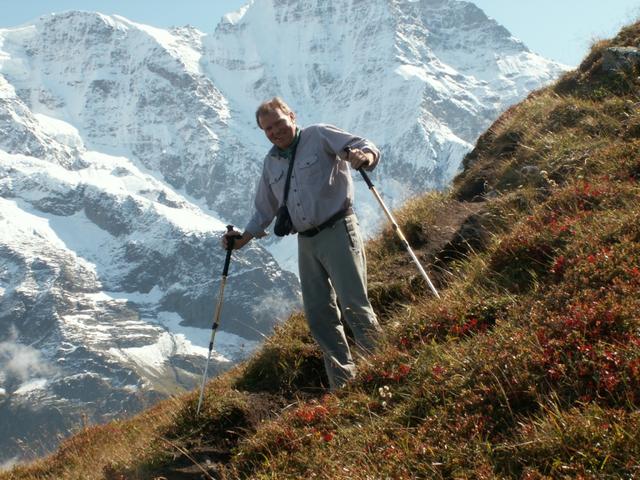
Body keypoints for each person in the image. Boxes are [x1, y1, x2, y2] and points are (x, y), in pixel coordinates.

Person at [223, 97, 381, 389]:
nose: (275, 132)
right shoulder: (271, 163)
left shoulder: (319, 135)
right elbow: (264, 209)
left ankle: (383, 370)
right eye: (268, 129)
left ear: (292, 116)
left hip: (337, 229)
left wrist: (365, 156)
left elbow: (362, 145)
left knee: (353, 304)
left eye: (279, 123)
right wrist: (241, 240)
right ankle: (343, 385)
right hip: (306, 242)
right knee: (320, 316)